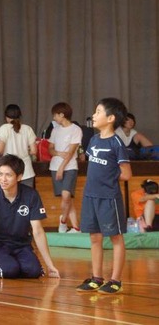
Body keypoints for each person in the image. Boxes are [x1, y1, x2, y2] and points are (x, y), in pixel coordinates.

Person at [76, 98, 132, 295]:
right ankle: (96, 278)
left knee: (115, 238)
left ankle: (115, 280)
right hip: (90, 196)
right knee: (94, 237)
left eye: (98, 112)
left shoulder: (116, 143)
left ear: (110, 118)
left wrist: (110, 172)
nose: (94, 115)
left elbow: (126, 174)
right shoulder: (93, 139)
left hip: (109, 198)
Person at [0, 154, 60, 279]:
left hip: (22, 245)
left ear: (19, 177)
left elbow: (38, 231)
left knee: (33, 271)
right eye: (0, 174)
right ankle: (0, 264)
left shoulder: (31, 195)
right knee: (10, 270)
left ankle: (20, 265)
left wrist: (50, 265)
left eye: (8, 175)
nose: (3, 179)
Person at [47, 102, 82, 233]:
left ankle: (63, 221)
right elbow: (50, 149)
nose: (54, 118)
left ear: (62, 114)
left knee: (66, 196)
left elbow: (71, 152)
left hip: (70, 167)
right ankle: (76, 227)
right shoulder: (55, 130)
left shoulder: (76, 130)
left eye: (55, 115)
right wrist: (57, 153)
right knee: (67, 199)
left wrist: (62, 167)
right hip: (54, 166)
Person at [0, 104, 37, 187]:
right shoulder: (28, 129)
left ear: (6, 117)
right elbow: (34, 151)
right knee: (27, 198)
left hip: (9, 171)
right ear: (20, 115)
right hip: (26, 171)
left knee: (10, 198)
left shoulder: (4, 128)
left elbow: (0, 150)